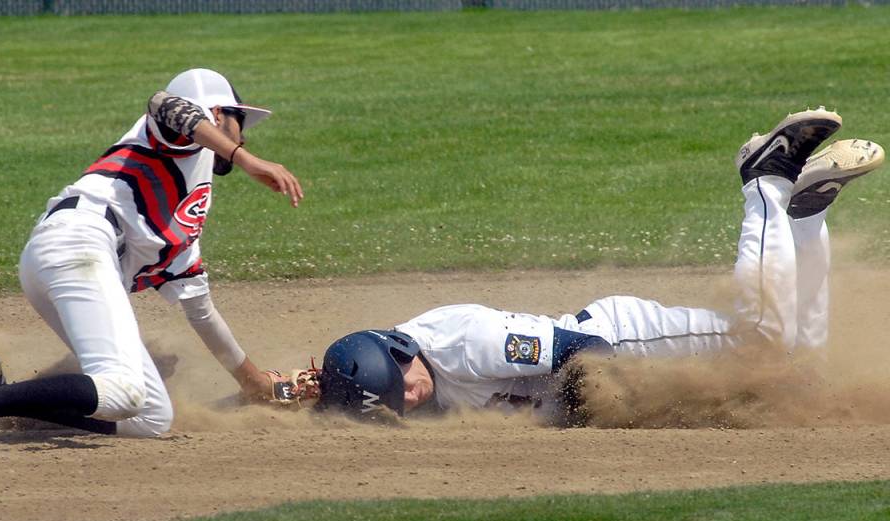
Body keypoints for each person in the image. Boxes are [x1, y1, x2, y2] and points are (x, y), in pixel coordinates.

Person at [299, 110, 884, 422]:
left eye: (402, 388)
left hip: (630, 340)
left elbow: (586, 361)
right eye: (399, 405)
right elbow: (342, 399)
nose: (412, 399)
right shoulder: (385, 381)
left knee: (764, 345)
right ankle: (804, 217)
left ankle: (764, 183)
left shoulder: (465, 341)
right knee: (803, 372)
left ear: (401, 354)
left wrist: (635, 409)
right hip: (618, 351)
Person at [0, 68, 304, 451]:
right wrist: (245, 160)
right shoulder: (177, 137)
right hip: (79, 242)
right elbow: (165, 104)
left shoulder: (188, 206)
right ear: (215, 113)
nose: (244, 136)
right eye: (239, 120)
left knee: (149, 416)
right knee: (123, 390)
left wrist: (253, 382)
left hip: (73, 258)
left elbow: (201, 310)